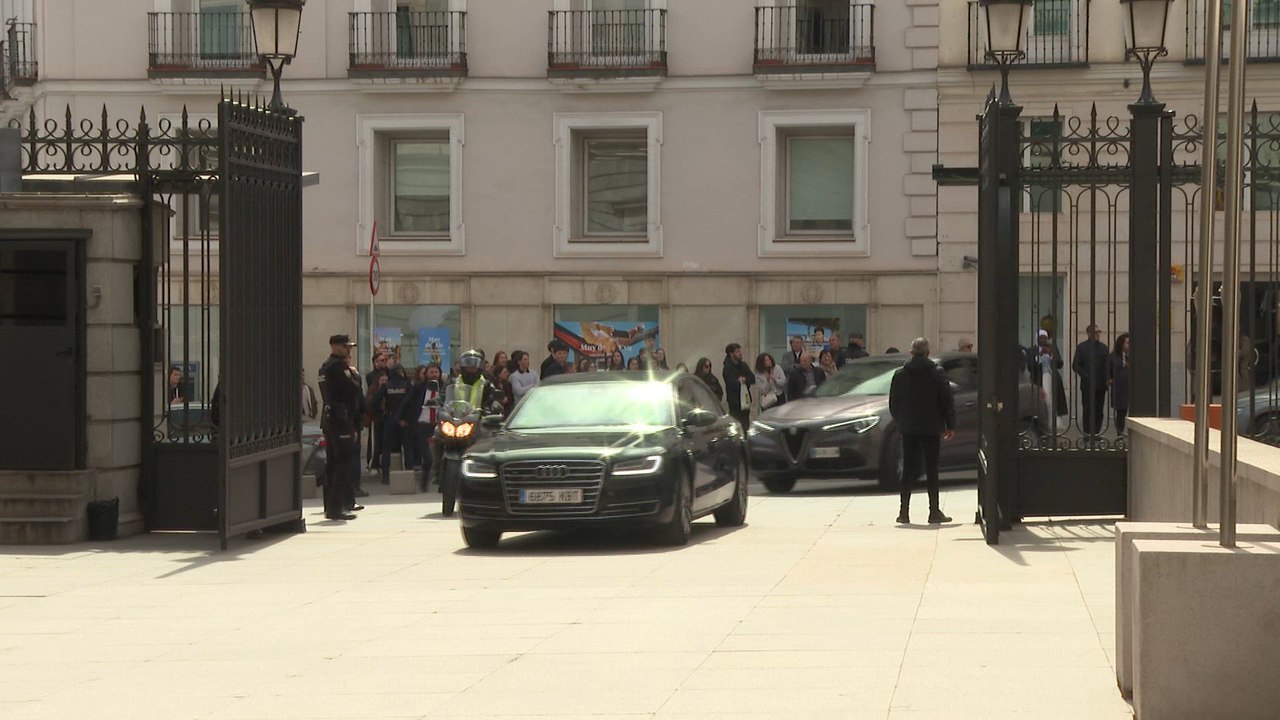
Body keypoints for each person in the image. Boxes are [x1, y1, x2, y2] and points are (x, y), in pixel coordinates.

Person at [888, 337, 956, 525]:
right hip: (932, 426)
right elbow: (946, 400)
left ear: (911, 353)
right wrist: (949, 425)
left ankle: (904, 512)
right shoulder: (937, 373)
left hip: (909, 427)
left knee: (908, 469)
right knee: (932, 469)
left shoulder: (900, 374)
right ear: (928, 352)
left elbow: (894, 403)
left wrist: (900, 422)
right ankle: (933, 511)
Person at [318, 334, 361, 521]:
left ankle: (331, 505)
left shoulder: (325, 367)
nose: (348, 350)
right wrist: (355, 376)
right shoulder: (337, 366)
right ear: (334, 346)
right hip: (341, 419)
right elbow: (352, 388)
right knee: (342, 464)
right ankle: (337, 507)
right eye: (345, 347)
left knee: (332, 464)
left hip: (331, 419)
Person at [398, 364, 442, 491]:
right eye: (431, 372)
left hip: (440, 425)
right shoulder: (419, 388)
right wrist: (401, 418)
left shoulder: (444, 388)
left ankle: (442, 483)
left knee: (441, 456)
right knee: (427, 456)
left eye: (436, 372)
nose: (434, 374)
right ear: (426, 374)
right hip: (423, 425)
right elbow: (406, 402)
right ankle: (424, 482)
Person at [371, 362, 413, 484]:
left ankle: (385, 476)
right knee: (407, 447)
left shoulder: (386, 386)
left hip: (390, 418)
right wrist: (406, 419)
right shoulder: (407, 385)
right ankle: (409, 474)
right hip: (403, 420)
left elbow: (374, 402)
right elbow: (411, 404)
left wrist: (382, 412)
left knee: (386, 448)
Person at [1073, 324, 1110, 435]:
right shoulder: (1082, 347)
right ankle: (1087, 433)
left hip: (1100, 385)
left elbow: (1107, 365)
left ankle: (1096, 433)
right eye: (1095, 332)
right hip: (1087, 385)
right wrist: (1085, 376)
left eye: (1099, 332)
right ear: (1089, 334)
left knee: (1099, 410)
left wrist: (1107, 378)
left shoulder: (1104, 348)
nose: (1098, 334)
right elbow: (1076, 365)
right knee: (1088, 410)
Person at [364, 351, 389, 472]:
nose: (383, 363)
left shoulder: (388, 373)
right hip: (376, 416)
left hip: (386, 415)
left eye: (384, 360)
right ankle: (372, 462)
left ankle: (382, 464)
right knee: (375, 441)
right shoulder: (371, 377)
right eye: (380, 361)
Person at [722, 343, 755, 428]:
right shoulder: (727, 368)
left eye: (740, 351)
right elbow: (732, 383)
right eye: (737, 351)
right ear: (731, 354)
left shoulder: (743, 365)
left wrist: (744, 379)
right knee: (737, 424)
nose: (740, 353)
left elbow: (752, 378)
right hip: (735, 401)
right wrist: (739, 381)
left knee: (746, 424)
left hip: (745, 399)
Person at [1109, 333, 1131, 437]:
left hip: (1130, 389)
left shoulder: (1131, 356)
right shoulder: (1113, 357)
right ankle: (1120, 434)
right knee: (1121, 413)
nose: (1129, 345)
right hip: (1119, 389)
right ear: (1121, 344)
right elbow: (1108, 372)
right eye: (1127, 342)